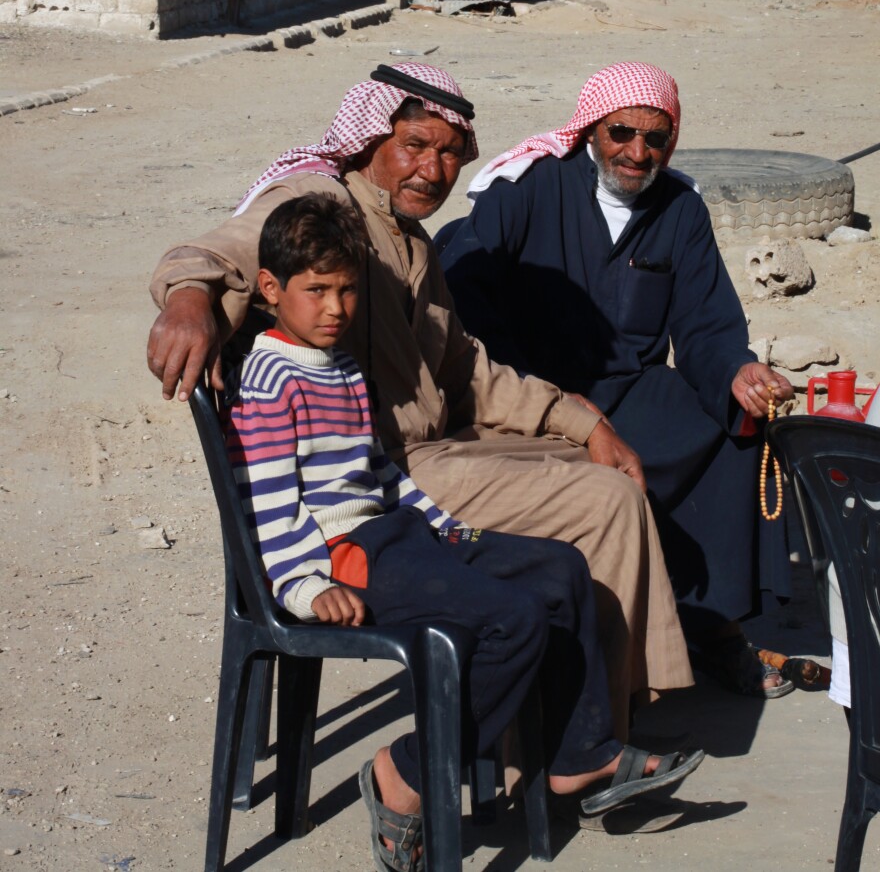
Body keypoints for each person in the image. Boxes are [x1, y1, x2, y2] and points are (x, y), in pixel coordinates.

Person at [147, 62, 694, 738]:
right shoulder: (325, 206)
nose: (432, 171)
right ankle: (581, 740)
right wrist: (190, 297)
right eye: (414, 146)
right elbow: (224, 251)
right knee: (604, 500)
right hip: (384, 479)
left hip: (435, 451)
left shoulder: (414, 243)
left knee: (603, 465)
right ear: (370, 140)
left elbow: (468, 369)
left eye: (447, 153)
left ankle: (593, 714)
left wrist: (582, 424)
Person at [225, 192, 704, 870]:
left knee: (563, 573)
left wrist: (444, 526)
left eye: (347, 291)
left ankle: (579, 755)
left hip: (397, 533)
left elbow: (378, 476)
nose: (336, 309)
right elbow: (269, 501)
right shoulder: (272, 377)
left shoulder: (344, 366)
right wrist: (303, 586)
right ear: (272, 290)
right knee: (512, 620)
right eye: (317, 291)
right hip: (342, 557)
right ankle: (406, 771)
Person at [438, 61, 797, 699]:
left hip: (628, 390)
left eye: (655, 139)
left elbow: (707, 327)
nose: (637, 153)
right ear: (591, 131)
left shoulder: (680, 210)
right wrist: (534, 391)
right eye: (622, 134)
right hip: (530, 399)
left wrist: (739, 371)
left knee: (737, 430)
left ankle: (709, 621)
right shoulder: (529, 188)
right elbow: (467, 295)